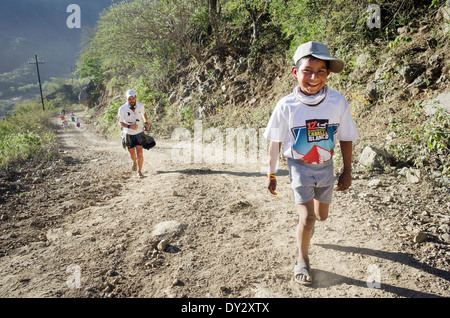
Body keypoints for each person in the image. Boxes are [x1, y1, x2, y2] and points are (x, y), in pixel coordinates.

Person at [263, 41, 359, 286]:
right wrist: (271, 173)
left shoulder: (337, 102)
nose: (314, 77)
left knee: (320, 216)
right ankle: (302, 259)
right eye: (307, 70)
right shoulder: (286, 106)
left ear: (328, 74)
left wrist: (347, 171)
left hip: (326, 167)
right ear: (295, 72)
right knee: (306, 218)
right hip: (299, 167)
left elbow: (346, 137)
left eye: (321, 72)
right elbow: (275, 142)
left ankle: (308, 228)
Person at [117, 89, 150, 178]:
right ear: (127, 99)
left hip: (139, 132)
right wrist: (129, 126)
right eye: (129, 99)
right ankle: (134, 162)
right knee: (132, 154)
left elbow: (144, 114)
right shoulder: (122, 109)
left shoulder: (140, 105)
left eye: (132, 98)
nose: (131, 100)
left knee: (139, 153)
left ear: (135, 97)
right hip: (128, 133)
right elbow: (120, 122)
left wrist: (146, 122)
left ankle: (139, 172)